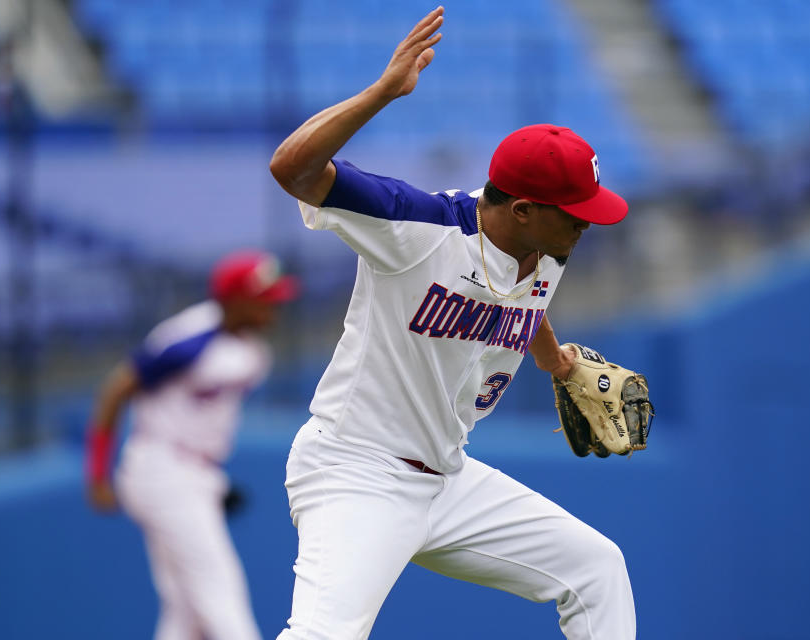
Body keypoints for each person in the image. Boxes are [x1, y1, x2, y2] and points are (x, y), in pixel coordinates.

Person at [269, 6, 636, 639]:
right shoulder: (415, 227)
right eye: (574, 212)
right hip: (358, 470)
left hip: (448, 475)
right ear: (522, 208)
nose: (587, 222)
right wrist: (382, 93)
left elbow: (521, 303)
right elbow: (291, 170)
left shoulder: (547, 247)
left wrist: (557, 361)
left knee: (598, 570)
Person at [85, 250, 298, 640]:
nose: (274, 306)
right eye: (264, 297)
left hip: (191, 472)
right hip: (162, 468)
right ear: (235, 299)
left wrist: (211, 481)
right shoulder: (188, 339)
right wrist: (97, 472)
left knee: (185, 608)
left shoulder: (253, 352)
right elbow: (117, 390)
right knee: (220, 591)